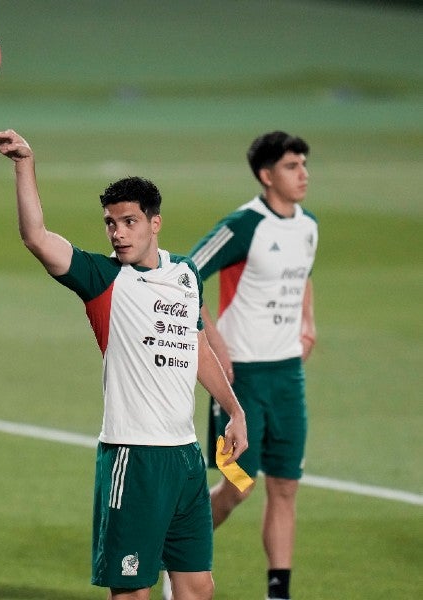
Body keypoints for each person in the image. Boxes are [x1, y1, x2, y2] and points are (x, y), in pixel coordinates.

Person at [0, 129, 248, 600]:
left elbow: (195, 347)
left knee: (199, 588)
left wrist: (234, 409)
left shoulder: (185, 274)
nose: (117, 233)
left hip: (185, 458)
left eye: (128, 221)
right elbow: (36, 237)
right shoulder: (103, 281)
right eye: (110, 223)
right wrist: (24, 163)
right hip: (131, 455)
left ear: (154, 223)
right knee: (131, 593)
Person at [188, 131, 316, 600]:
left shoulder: (308, 225)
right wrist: (213, 338)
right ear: (266, 176)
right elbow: (187, 270)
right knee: (238, 486)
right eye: (291, 166)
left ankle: (278, 593)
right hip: (240, 380)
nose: (303, 174)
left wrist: (309, 321)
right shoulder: (245, 225)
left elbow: (303, 273)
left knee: (285, 488)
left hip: (288, 378)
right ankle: (175, 558)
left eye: (303, 165)